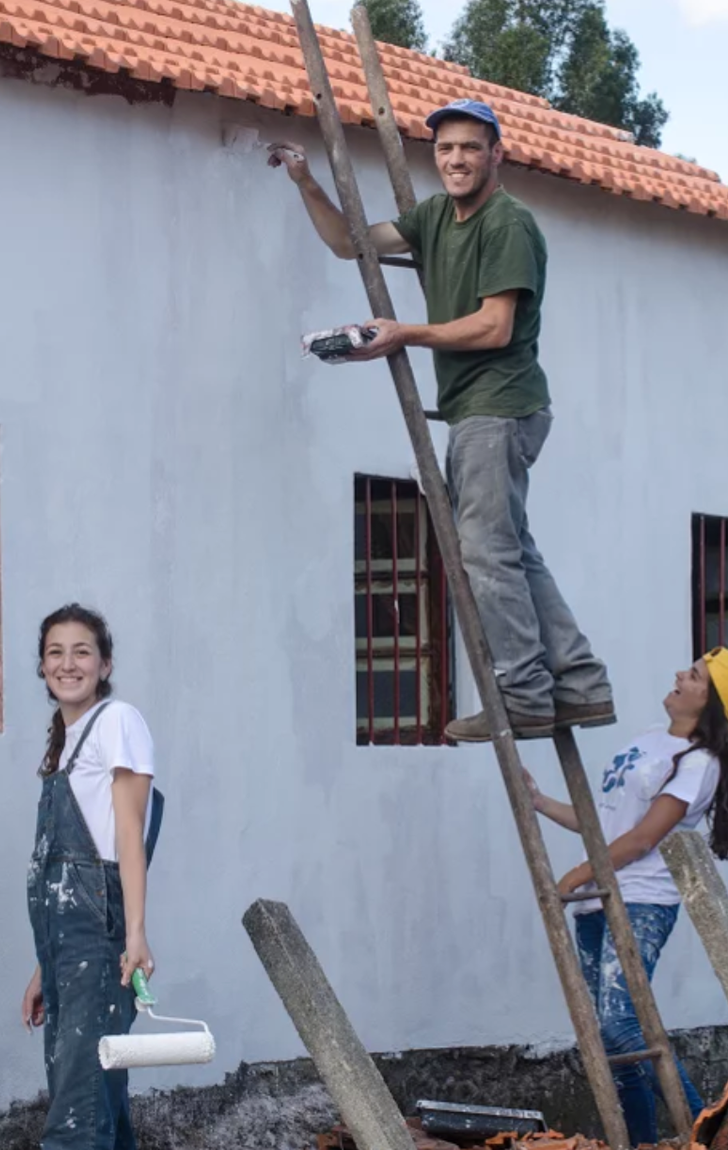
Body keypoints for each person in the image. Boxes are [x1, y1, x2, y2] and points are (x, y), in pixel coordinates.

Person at [269, 99, 614, 743]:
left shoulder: (507, 223)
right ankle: (580, 682)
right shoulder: (433, 216)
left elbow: (494, 324)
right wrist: (306, 182)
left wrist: (404, 334)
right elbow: (352, 243)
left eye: (469, 148)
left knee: (485, 555)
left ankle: (524, 694)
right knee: (513, 551)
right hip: (478, 408)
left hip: (500, 403)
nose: (456, 159)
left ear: (496, 156)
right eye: (446, 149)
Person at [527, 648, 728, 1146]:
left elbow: (643, 839)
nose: (679, 673)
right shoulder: (650, 739)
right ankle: (637, 1149)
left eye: (694, 675)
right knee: (610, 1039)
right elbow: (604, 824)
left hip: (640, 902)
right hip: (598, 897)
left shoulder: (700, 763)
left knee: (620, 1020)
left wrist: (579, 873)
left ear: (710, 700)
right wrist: (541, 802)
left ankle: (709, 1132)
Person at [21, 603, 157, 1150]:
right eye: (55, 652)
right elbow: (58, 875)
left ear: (104, 665)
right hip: (68, 949)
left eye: (81, 652)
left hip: (100, 942)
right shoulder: (65, 740)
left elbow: (128, 838)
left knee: (74, 1120)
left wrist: (134, 936)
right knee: (103, 1109)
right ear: (41, 667)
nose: (67, 663)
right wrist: (46, 966)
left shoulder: (117, 722)